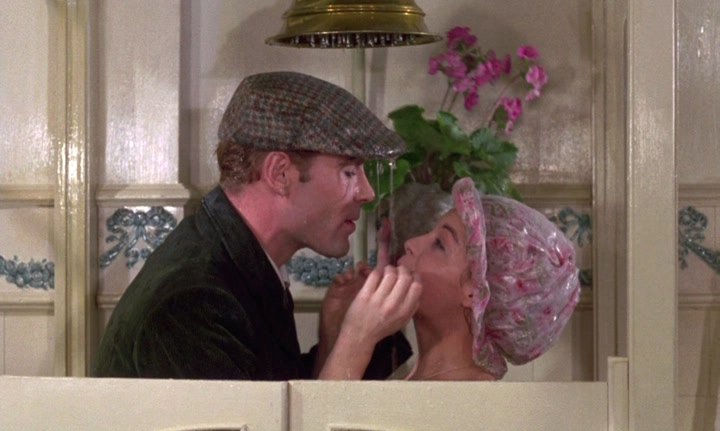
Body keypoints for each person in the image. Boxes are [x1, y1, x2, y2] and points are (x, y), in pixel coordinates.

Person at [92, 71, 422, 380]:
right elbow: (264, 419)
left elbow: (273, 399)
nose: (367, 192)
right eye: (349, 171)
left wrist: (334, 338)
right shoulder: (193, 302)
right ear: (280, 173)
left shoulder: (238, 261)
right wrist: (357, 338)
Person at [334, 177, 580, 380]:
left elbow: (325, 418)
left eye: (439, 244)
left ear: (476, 292)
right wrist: (335, 327)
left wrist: (357, 335)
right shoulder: (426, 381)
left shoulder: (465, 405)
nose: (410, 243)